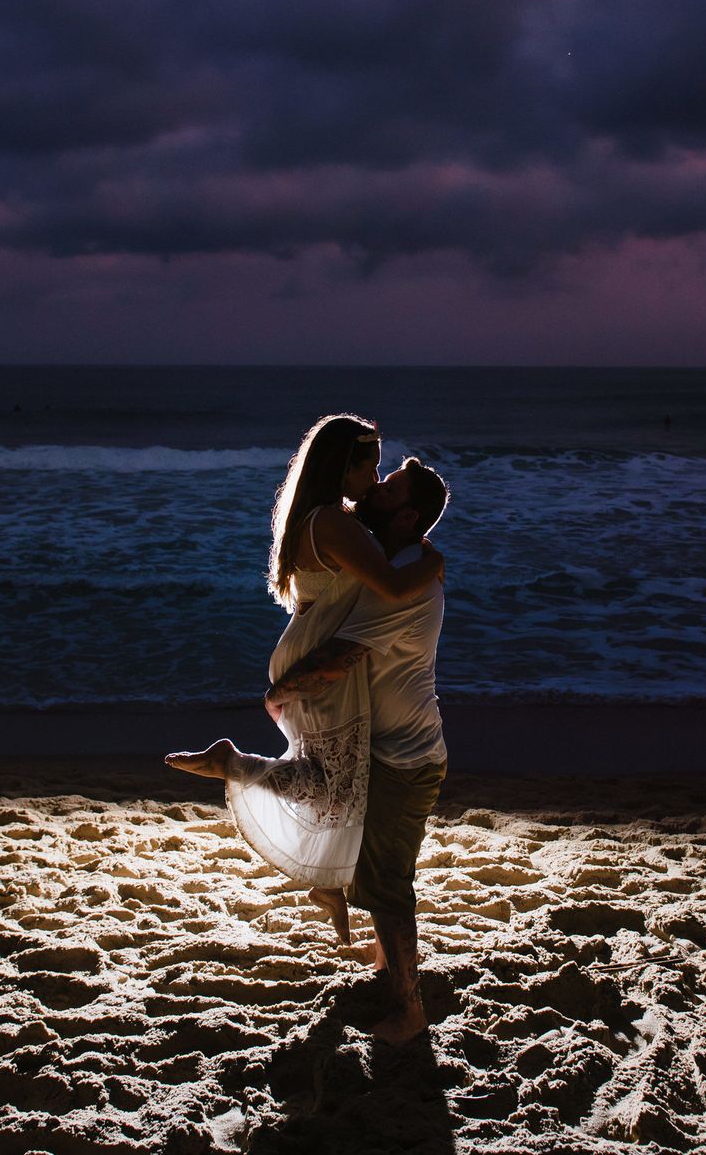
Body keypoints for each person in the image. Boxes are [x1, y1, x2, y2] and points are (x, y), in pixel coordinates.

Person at [165, 415, 443, 945]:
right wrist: (433, 563)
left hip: (305, 645)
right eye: (372, 469)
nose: (375, 480)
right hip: (314, 658)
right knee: (332, 784)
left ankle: (328, 884)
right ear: (345, 467)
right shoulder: (334, 523)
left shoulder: (323, 518)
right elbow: (386, 583)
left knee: (337, 786)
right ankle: (232, 764)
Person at [262, 457, 450, 1044]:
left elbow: (338, 659)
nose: (372, 490)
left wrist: (278, 693)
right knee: (368, 859)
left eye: (387, 488)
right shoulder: (397, 567)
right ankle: (383, 964)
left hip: (405, 757)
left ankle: (409, 1009)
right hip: (392, 748)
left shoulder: (407, 577)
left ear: (409, 514)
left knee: (388, 882)